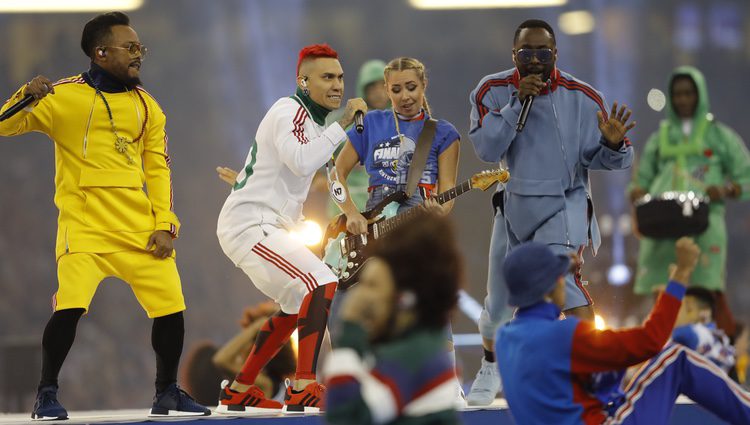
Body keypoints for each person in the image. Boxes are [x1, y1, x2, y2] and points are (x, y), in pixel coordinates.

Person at [0, 12, 209, 419]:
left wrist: (165, 223)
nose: (138, 56)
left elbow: (158, 168)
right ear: (100, 53)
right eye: (130, 48)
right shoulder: (62, 96)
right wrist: (27, 94)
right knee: (71, 307)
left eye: (140, 48)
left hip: (138, 228)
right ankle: (46, 394)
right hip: (84, 228)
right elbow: (4, 126)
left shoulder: (148, 107)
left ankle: (166, 391)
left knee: (171, 307)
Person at [465, 19, 636, 405]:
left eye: (544, 52)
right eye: (527, 53)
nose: (536, 61)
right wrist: (515, 105)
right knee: (497, 302)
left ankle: (591, 374)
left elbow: (610, 159)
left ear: (555, 54)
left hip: (564, 203)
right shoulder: (491, 91)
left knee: (565, 283)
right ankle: (492, 365)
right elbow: (488, 150)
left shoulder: (584, 96)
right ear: (514, 56)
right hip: (513, 207)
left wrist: (612, 144)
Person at [215, 43, 366, 413]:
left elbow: (313, 180)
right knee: (321, 283)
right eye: (327, 77)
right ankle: (303, 386)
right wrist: (344, 124)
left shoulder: (314, 124)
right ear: (303, 81)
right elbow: (300, 163)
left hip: (269, 224)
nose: (337, 85)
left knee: (297, 301)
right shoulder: (289, 111)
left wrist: (343, 214)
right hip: (250, 224)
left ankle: (239, 388)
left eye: (340, 77)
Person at [496, 238, 750, 425]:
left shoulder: (505, 339)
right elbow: (650, 340)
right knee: (675, 359)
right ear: (549, 287)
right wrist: (680, 277)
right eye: (559, 276)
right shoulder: (565, 336)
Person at [628, 66, 750, 339]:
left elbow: (746, 176)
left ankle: (708, 355)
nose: (683, 100)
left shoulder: (719, 136)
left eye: (689, 93)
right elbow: (641, 179)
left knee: (704, 294)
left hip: (704, 226)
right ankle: (664, 355)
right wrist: (636, 192)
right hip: (661, 227)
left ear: (700, 95)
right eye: (678, 94)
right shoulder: (659, 139)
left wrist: (728, 189)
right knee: (663, 295)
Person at [324, 213, 461, 425]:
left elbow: (344, 419)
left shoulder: (416, 354)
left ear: (403, 298)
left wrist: (349, 333)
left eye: (371, 286)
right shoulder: (410, 345)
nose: (359, 297)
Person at [672, 287, 735, 373]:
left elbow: (681, 335)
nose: (675, 313)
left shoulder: (697, 333)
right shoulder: (722, 339)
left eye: (680, 308)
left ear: (705, 312)